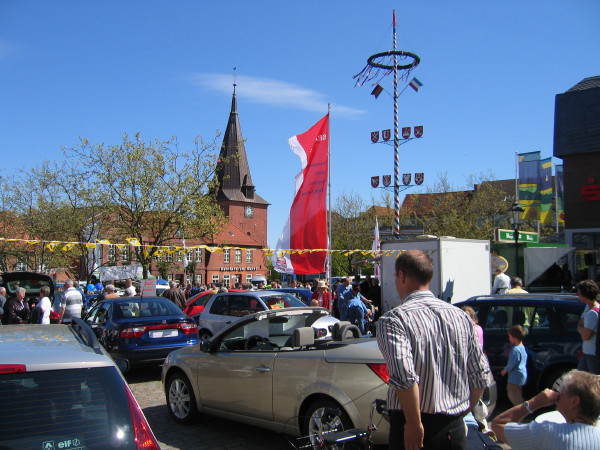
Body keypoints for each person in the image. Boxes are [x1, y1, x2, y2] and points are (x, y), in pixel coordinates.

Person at [376, 250, 491, 450]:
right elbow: (480, 374)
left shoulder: (394, 319)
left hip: (413, 425)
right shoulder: (461, 316)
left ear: (401, 276)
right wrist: (460, 413)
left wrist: (413, 424)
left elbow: (403, 376)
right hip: (452, 426)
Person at [491, 369, 600, 449]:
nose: (558, 394)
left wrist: (535, 402)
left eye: (562, 390)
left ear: (574, 402)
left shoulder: (548, 432)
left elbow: (498, 424)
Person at [576, 279, 599, 375]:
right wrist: (583, 329)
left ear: (584, 294)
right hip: (587, 352)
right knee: (579, 380)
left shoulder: (592, 313)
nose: (577, 296)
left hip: (592, 353)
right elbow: (580, 323)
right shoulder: (588, 308)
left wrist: (581, 328)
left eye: (579, 293)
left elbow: (584, 337)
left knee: (594, 382)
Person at [501, 325, 528, 406]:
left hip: (515, 377)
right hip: (522, 375)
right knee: (518, 394)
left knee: (513, 395)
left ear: (514, 337)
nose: (509, 338)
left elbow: (511, 364)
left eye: (509, 336)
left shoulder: (515, 350)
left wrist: (504, 371)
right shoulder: (522, 347)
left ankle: (521, 411)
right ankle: (523, 408)